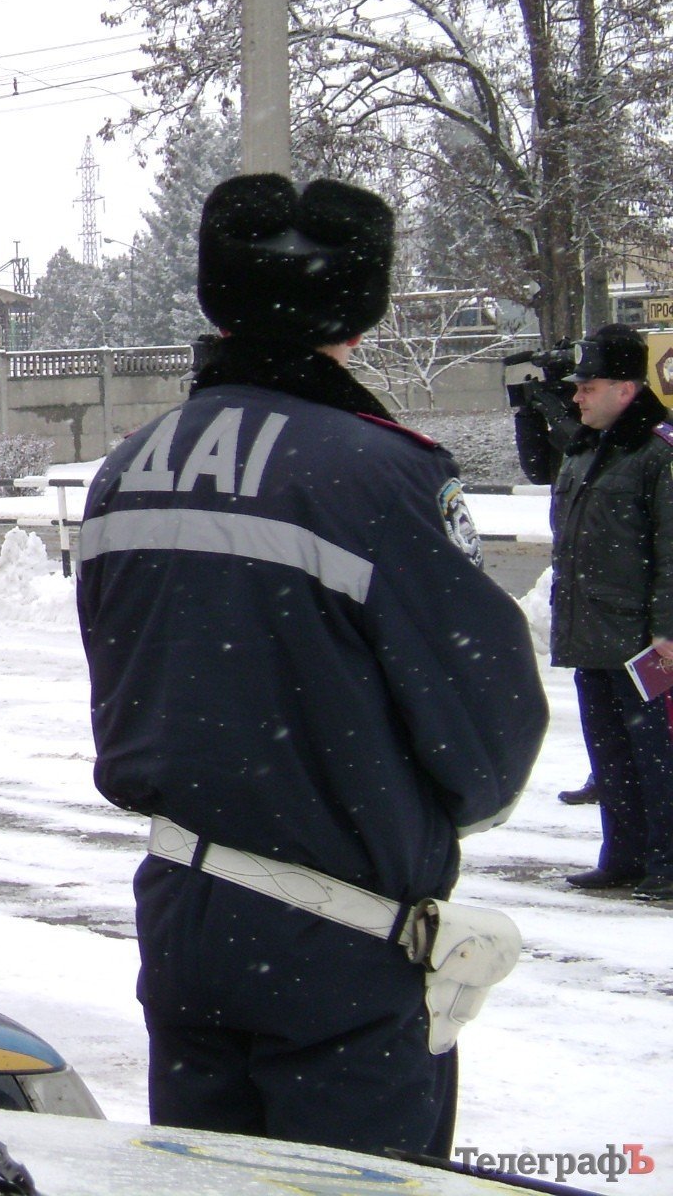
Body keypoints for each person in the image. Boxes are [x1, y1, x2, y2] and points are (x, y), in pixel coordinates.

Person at [77, 173, 546, 1159]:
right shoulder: (378, 472)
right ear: (357, 319)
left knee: (206, 1180)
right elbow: (486, 738)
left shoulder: (131, 464)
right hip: (337, 944)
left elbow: (126, 669)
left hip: (181, 915)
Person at [548, 323, 673, 900]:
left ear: (625, 388)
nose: (577, 396)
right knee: (612, 760)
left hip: (643, 644)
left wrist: (668, 631)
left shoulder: (657, 452)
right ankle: (622, 857)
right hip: (593, 633)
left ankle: (666, 864)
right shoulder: (584, 449)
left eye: (587, 386)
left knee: (658, 759)